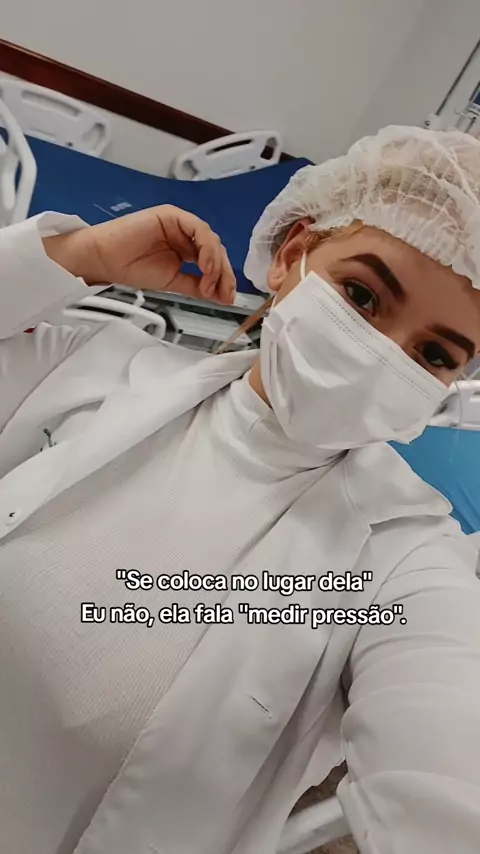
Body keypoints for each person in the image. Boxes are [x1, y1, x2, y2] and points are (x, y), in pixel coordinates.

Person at [1, 125, 480, 854]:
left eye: (435, 352)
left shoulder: (406, 560)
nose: (384, 355)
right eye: (362, 294)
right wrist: (75, 258)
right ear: (291, 257)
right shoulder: (93, 365)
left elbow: (448, 787)